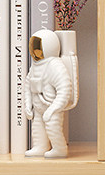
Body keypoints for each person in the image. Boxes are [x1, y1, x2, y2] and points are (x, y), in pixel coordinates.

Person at [24, 29, 73, 159]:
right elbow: (28, 85)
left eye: (38, 47)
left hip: (51, 106)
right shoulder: (35, 65)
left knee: (53, 127)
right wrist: (28, 105)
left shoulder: (55, 66)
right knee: (37, 128)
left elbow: (65, 89)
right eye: (34, 47)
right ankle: (40, 147)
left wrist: (53, 109)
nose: (35, 51)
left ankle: (59, 149)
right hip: (38, 107)